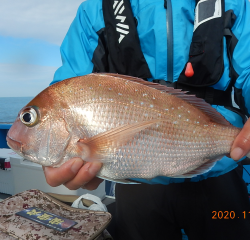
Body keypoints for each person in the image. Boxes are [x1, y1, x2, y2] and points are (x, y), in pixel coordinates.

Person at [43, 0, 250, 239]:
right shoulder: (95, 10)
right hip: (136, 177)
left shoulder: (235, 3)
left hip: (220, 171)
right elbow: (70, 91)